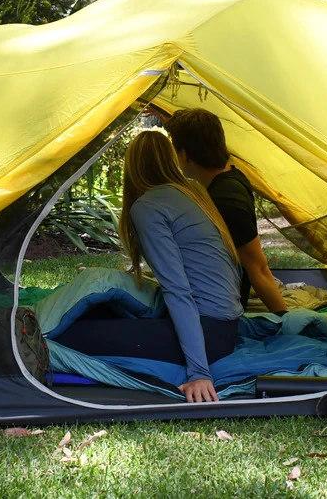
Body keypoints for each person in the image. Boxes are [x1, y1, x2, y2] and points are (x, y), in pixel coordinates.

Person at [52, 130, 243, 403]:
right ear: (171, 159)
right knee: (100, 314)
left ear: (132, 168)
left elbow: (177, 289)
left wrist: (199, 372)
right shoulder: (195, 193)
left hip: (207, 335)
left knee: (69, 335)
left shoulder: (148, 206)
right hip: (226, 328)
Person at [163, 108, 288, 314]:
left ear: (184, 155)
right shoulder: (227, 177)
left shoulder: (228, 200)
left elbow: (258, 268)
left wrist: (286, 320)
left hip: (217, 304)